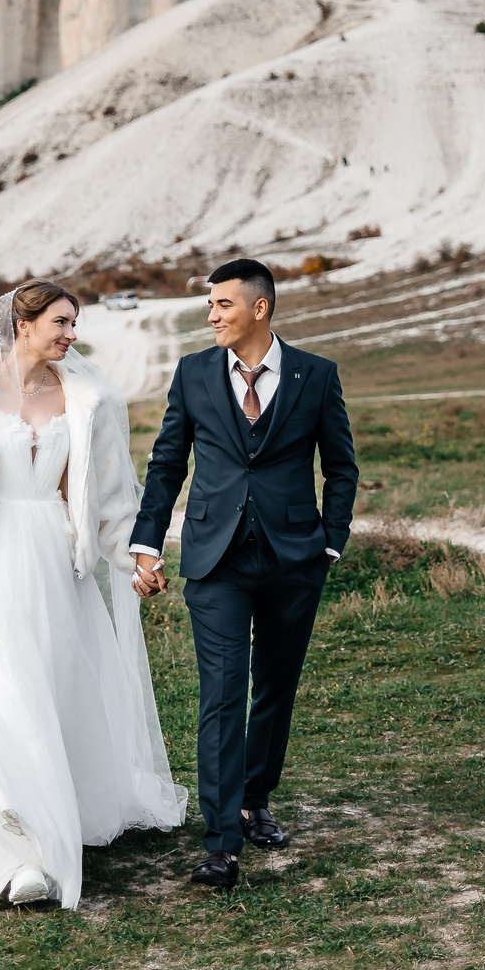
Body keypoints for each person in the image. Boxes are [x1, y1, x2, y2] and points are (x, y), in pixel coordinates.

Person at [0, 280, 188, 909]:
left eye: (73, 324)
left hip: (55, 566)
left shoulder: (85, 398)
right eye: (61, 322)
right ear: (23, 324)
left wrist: (136, 556)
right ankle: (21, 845)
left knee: (49, 693)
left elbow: (107, 496)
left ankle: (45, 824)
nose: (71, 335)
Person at [130, 257, 358, 889]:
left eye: (222, 304)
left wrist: (330, 544)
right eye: (210, 305)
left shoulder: (316, 375)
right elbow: (167, 463)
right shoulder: (193, 373)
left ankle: (256, 799)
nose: (212, 316)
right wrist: (148, 542)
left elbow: (341, 466)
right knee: (224, 693)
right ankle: (222, 843)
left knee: (276, 687)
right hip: (215, 559)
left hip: (295, 559)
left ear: (260, 308)